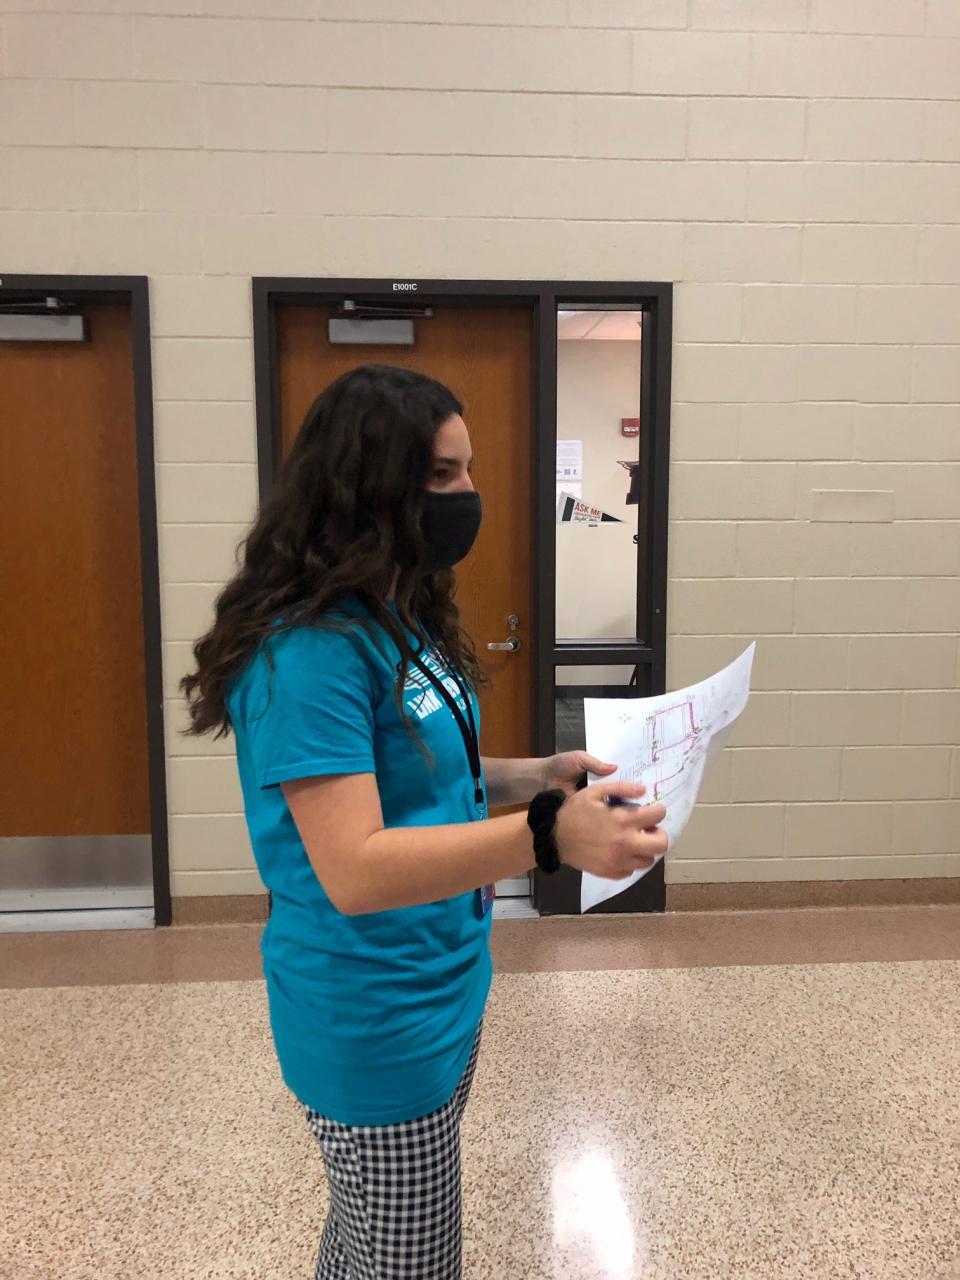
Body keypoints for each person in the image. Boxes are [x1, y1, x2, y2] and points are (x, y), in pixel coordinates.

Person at [180, 364, 668, 1280]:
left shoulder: (393, 617)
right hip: (373, 1017)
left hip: (443, 985)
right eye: (443, 474)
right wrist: (546, 834)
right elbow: (355, 865)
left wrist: (537, 776)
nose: (468, 493)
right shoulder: (309, 654)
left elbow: (419, 773)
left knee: (365, 1242)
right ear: (369, 487)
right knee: (409, 1264)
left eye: (469, 469)